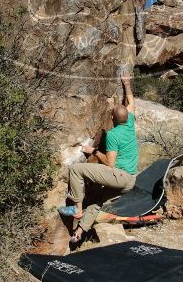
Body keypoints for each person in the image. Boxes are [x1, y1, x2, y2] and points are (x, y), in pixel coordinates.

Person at [58, 72, 139, 243]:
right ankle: (79, 233)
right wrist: (126, 83)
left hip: (119, 176)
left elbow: (110, 163)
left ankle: (77, 209)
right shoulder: (130, 123)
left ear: (112, 118)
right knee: (97, 201)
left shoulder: (113, 135)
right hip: (130, 181)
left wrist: (93, 151)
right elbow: (131, 102)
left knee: (75, 169)